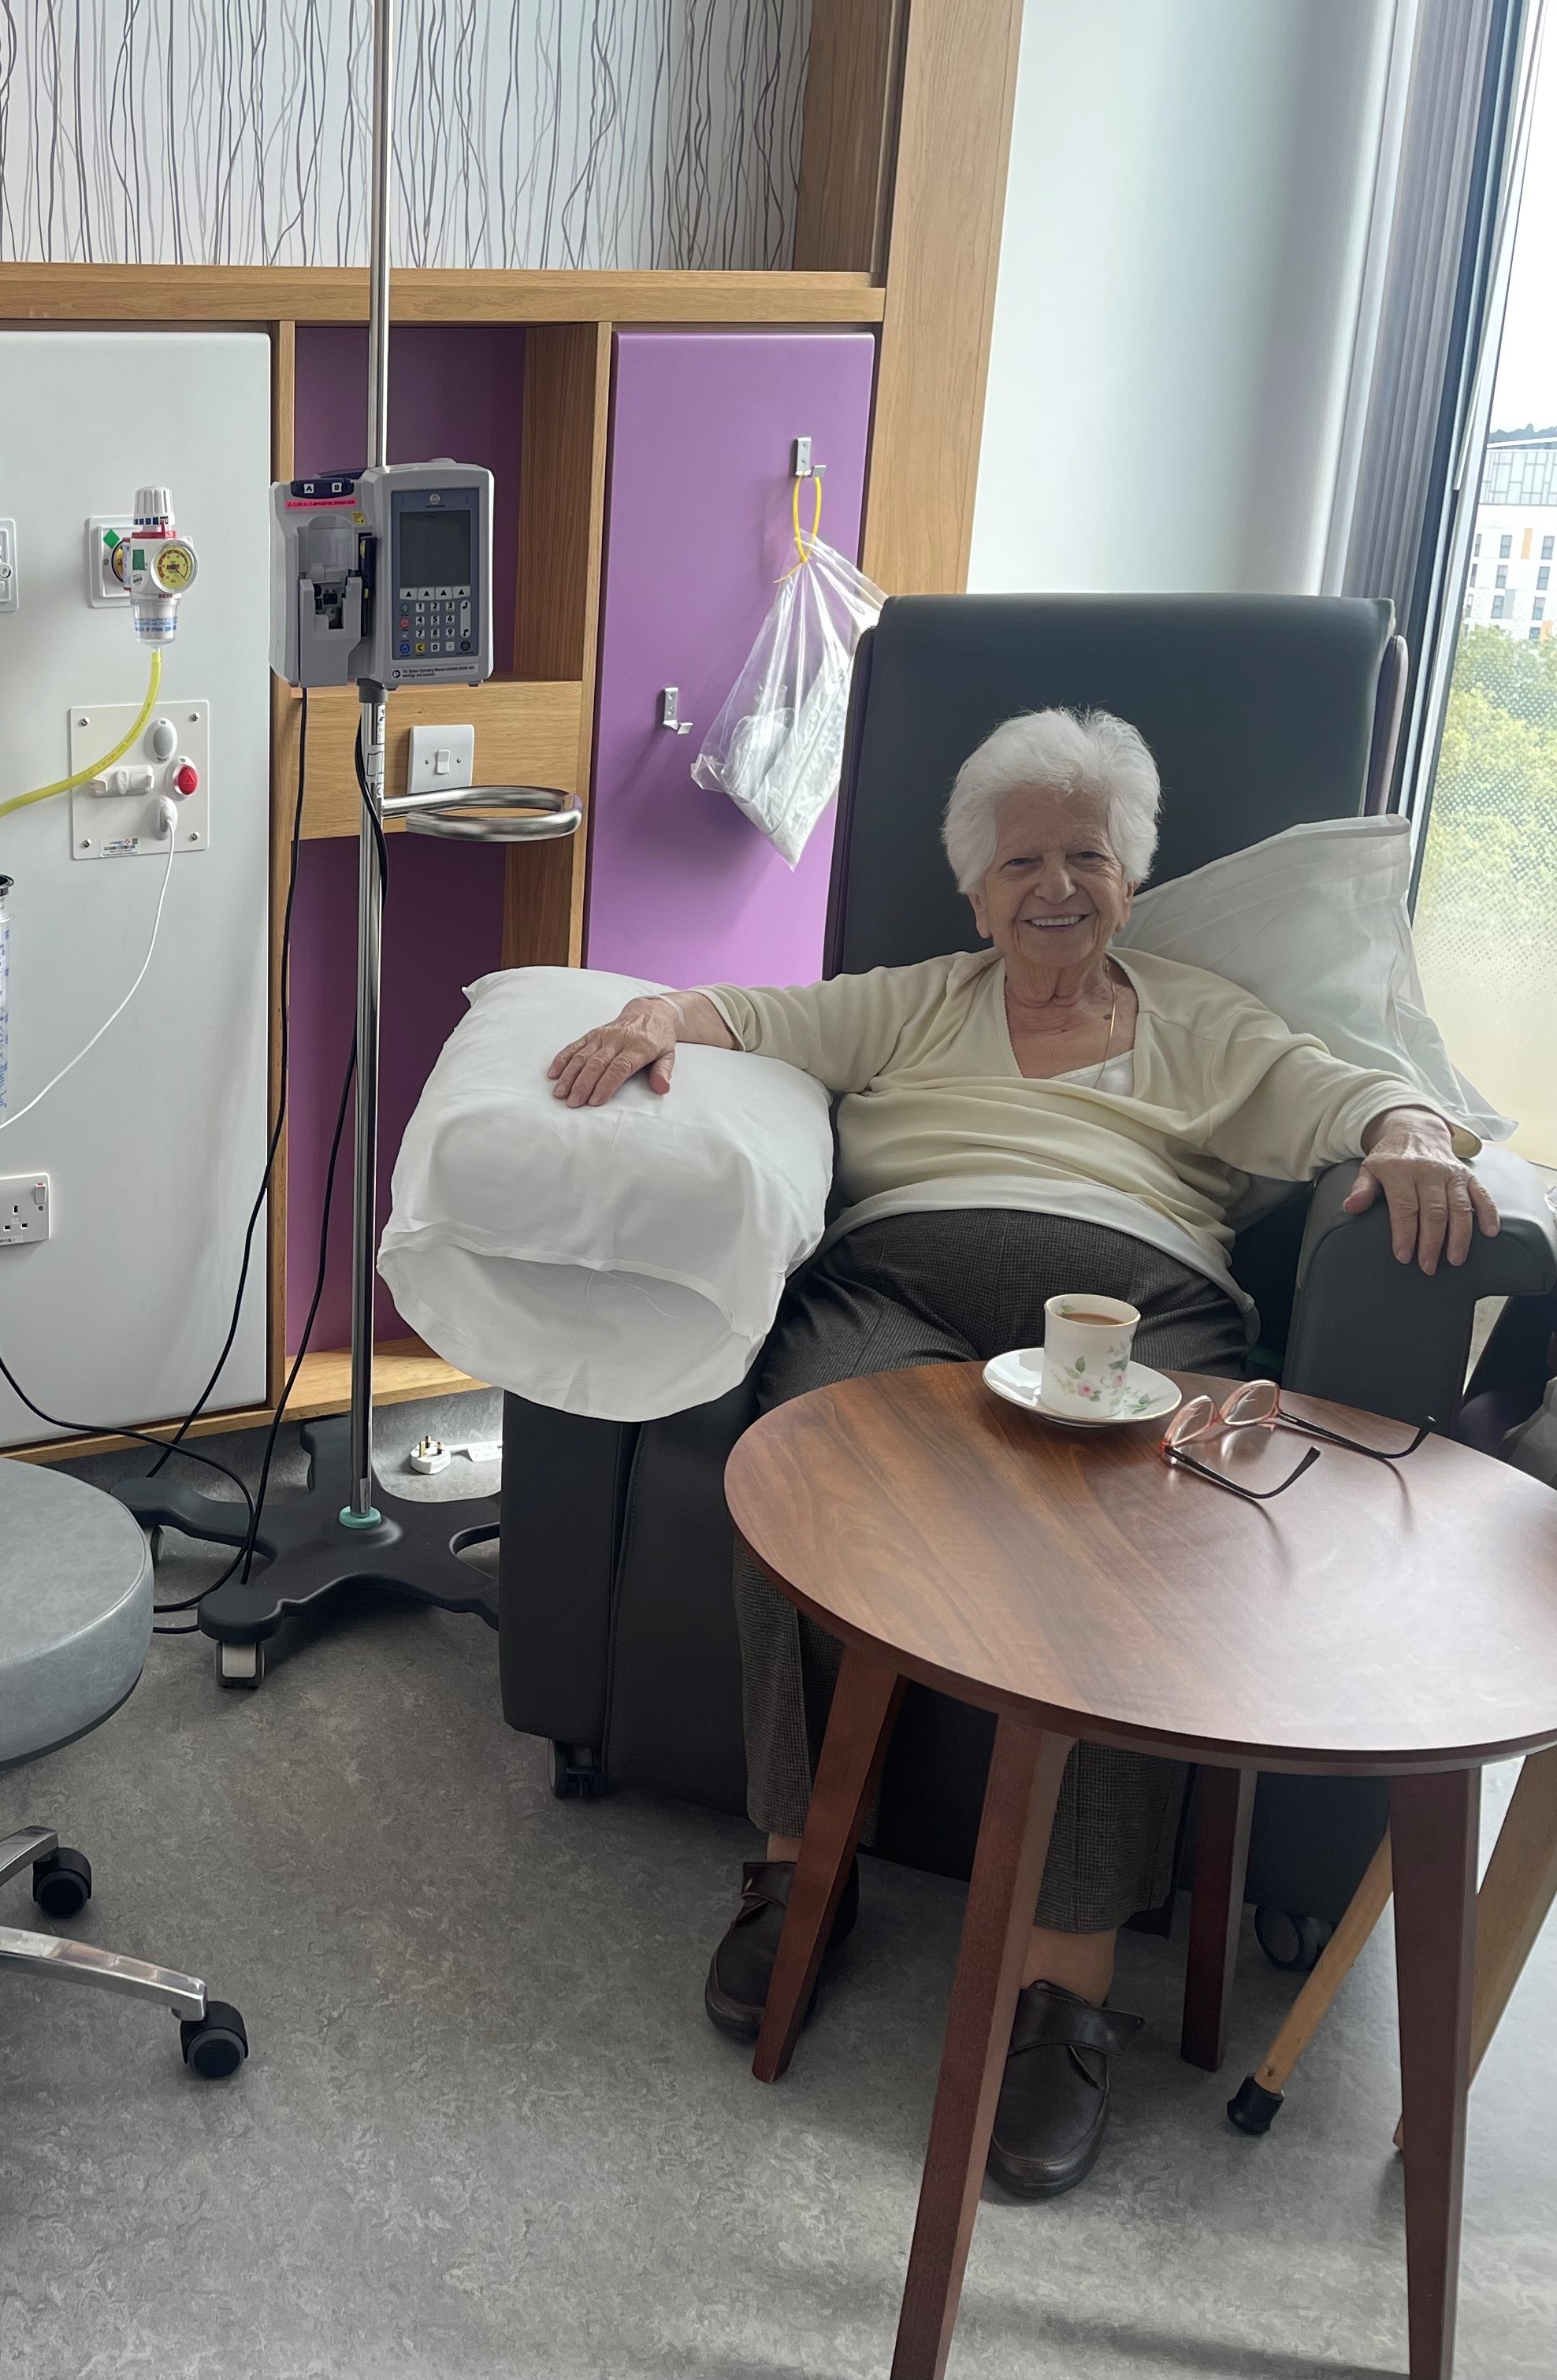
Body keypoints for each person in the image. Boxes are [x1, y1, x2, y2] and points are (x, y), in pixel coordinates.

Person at [545, 706, 1496, 2200]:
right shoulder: (920, 999)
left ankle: (1064, 1988)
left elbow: (1353, 1089)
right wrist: (653, 1020)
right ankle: (806, 1870)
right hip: (902, 1285)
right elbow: (748, 1015)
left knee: (1136, 1555)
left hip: (1138, 1299)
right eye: (1021, 861)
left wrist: (1411, 1131)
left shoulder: (1201, 1016)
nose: (1055, 885)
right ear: (975, 888)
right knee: (803, 1474)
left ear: (1133, 873)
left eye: (1087, 855)